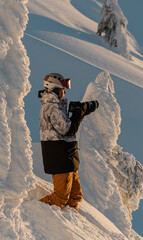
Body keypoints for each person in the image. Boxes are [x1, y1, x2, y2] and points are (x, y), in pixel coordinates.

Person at [38, 73, 99, 211]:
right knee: (60, 197)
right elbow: (67, 129)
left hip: (67, 155)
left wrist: (80, 112)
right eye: (62, 90)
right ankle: (33, 210)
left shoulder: (58, 107)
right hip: (59, 157)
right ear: (55, 89)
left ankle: (68, 221)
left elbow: (66, 129)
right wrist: (79, 113)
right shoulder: (51, 107)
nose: (64, 93)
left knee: (75, 196)